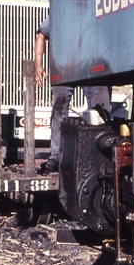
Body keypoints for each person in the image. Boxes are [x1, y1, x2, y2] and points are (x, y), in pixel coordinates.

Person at [34, 15, 110, 174]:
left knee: (100, 112)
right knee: (58, 111)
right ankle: (56, 155)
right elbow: (41, 36)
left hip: (93, 67)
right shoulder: (59, 15)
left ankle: (97, 153)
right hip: (64, 68)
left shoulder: (97, 11)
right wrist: (38, 65)